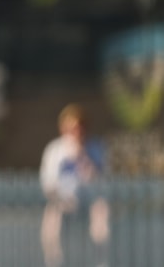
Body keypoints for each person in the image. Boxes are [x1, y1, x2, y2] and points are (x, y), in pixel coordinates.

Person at [40, 103, 110, 267]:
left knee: (102, 214)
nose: (77, 132)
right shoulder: (55, 150)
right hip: (63, 202)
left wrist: (82, 157)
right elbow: (48, 183)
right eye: (72, 128)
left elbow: (103, 179)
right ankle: (54, 262)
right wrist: (61, 199)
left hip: (90, 200)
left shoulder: (96, 147)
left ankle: (100, 261)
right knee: (52, 219)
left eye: (80, 127)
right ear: (63, 128)